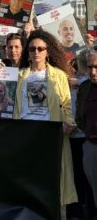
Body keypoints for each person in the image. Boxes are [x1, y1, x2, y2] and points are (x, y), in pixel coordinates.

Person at [13, 30, 78, 209]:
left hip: (50, 133)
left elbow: (66, 104)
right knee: (29, 179)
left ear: (48, 52)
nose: (36, 52)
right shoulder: (18, 76)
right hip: (26, 133)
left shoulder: (59, 76)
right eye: (32, 49)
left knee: (52, 179)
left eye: (41, 49)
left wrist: (69, 123)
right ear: (28, 53)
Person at [76, 47, 97, 210]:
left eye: (96, 67)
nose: (93, 71)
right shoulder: (84, 89)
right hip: (91, 147)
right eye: (90, 67)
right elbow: (80, 117)